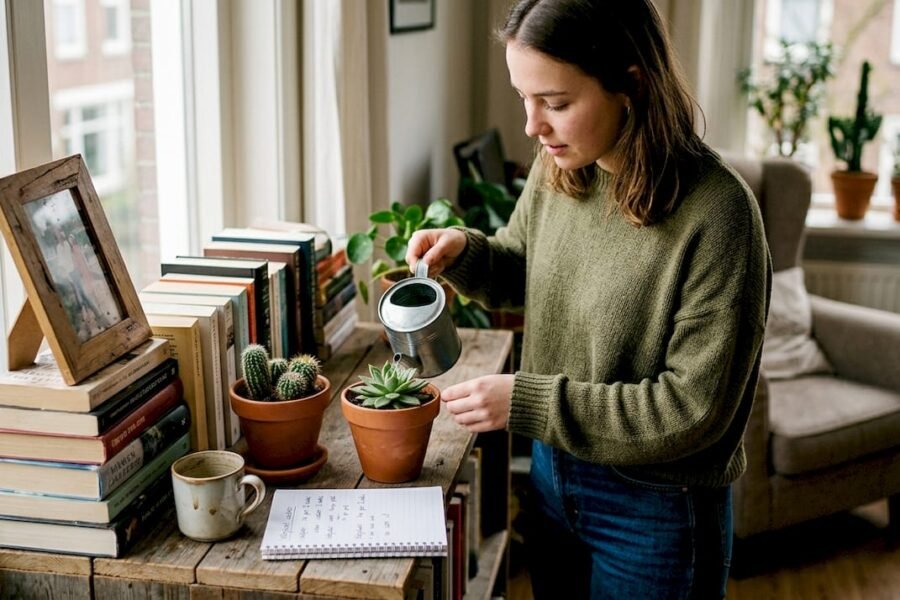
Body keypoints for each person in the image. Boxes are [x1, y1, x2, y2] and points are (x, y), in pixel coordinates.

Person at [405, 1, 771, 598]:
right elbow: (526, 268)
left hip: (657, 511)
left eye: (555, 103)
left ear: (631, 84)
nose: (532, 126)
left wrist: (527, 402)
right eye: (525, 98)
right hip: (554, 478)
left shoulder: (719, 214)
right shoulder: (563, 171)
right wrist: (464, 254)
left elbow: (692, 409)